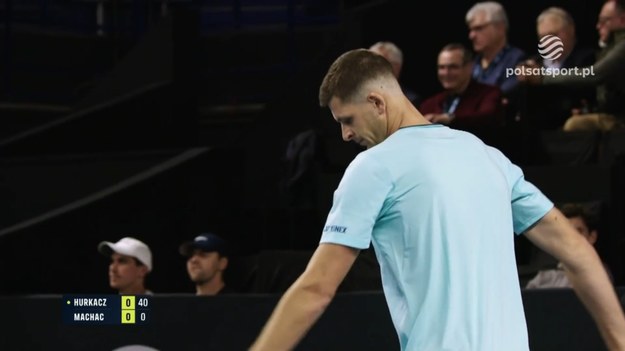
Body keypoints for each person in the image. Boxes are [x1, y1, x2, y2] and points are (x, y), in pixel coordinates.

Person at [249, 49, 625, 351]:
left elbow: (316, 289)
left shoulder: (373, 166)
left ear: (378, 103)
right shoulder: (487, 156)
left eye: (347, 119)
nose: (345, 135)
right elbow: (577, 251)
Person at [518, 0, 625, 131]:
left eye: (605, 20)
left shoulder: (591, 56)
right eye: (542, 37)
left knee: (575, 126)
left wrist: (542, 77)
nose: (598, 26)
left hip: (618, 119)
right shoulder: (534, 60)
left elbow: (595, 74)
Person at [519, 6, 597, 129]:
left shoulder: (587, 58)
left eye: (553, 34)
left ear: (571, 30)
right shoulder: (534, 62)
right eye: (542, 37)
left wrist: (540, 79)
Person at [526, 202, 613, 289]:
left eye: (578, 231)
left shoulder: (600, 274)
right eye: (566, 232)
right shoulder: (543, 278)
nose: (572, 238)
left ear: (592, 237)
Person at [419, 42, 505, 129]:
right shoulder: (429, 105)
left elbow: (486, 118)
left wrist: (450, 119)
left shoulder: (489, 94)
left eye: (453, 67)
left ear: (469, 67)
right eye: (442, 67)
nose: (446, 73)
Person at [466, 1, 526, 122]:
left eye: (478, 28)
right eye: (471, 30)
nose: (471, 35)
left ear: (500, 28)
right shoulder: (472, 64)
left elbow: (500, 97)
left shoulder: (517, 60)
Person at [368, 41, 420, 106]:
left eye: (378, 63)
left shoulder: (410, 101)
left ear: (396, 67)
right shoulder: (360, 97)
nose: (372, 68)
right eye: (370, 63)